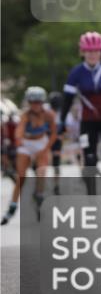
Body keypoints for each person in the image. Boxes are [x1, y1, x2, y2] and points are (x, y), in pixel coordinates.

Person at [59, 32, 101, 194]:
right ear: (82, 52)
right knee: (90, 156)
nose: (92, 54)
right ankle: (91, 192)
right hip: (87, 121)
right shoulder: (76, 73)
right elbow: (67, 100)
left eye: (96, 51)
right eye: (88, 51)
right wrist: (61, 121)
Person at [1, 87, 57, 225]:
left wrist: (44, 150)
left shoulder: (49, 115)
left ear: (42, 102)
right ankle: (12, 207)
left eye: (38, 102)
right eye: (32, 102)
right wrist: (18, 139)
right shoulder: (25, 114)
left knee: (41, 172)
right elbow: (19, 129)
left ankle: (39, 197)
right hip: (27, 145)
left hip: (41, 143)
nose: (35, 105)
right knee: (21, 177)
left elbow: (54, 134)